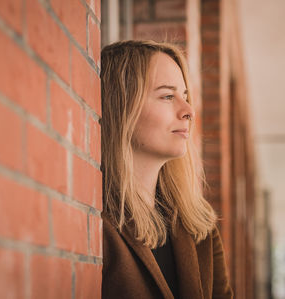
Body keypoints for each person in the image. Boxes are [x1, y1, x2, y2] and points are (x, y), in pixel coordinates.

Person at [99, 40, 233, 299]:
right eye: (167, 96)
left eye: (185, 97)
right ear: (122, 107)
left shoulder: (199, 225)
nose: (189, 111)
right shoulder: (95, 222)